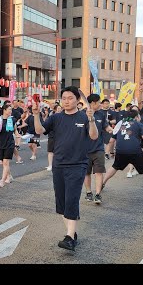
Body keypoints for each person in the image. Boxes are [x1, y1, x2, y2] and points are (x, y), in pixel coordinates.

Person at [33, 86, 98, 251]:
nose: (66, 101)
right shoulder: (56, 118)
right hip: (59, 164)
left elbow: (93, 136)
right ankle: (72, 233)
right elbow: (40, 130)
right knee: (61, 203)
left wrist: (91, 121)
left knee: (72, 199)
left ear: (77, 100)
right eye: (64, 98)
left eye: (70, 98)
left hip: (77, 164)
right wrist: (35, 114)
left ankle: (69, 237)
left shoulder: (84, 117)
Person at [101, 109, 143, 200]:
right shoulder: (139, 125)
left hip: (121, 151)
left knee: (115, 167)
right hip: (135, 152)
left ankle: (102, 184)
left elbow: (111, 141)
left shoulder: (120, 125)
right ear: (136, 117)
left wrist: (108, 152)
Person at [83, 94, 110, 204]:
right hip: (84, 149)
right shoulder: (81, 115)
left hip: (99, 148)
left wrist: (111, 130)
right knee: (86, 173)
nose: (100, 104)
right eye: (99, 102)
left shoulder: (101, 115)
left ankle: (98, 194)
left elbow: (106, 127)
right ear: (93, 103)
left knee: (99, 171)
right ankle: (89, 192)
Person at [0, 103, 16, 187]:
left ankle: (2, 180)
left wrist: (18, 136)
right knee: (4, 162)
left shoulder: (13, 120)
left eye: (11, 109)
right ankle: (9, 176)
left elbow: (15, 130)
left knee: (6, 162)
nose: (11, 111)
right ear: (4, 110)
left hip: (9, 143)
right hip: (0, 143)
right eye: (9, 109)